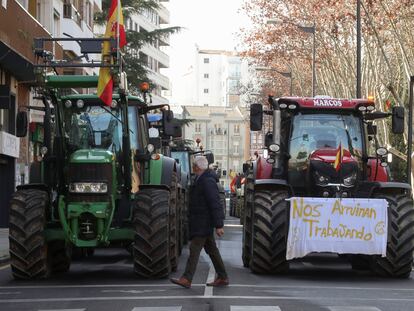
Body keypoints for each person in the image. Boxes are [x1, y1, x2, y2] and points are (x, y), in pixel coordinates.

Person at [170, 156, 228, 288]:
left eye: (194, 166)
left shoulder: (206, 181)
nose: (193, 168)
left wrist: (219, 225)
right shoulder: (202, 179)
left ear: (197, 167)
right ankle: (223, 277)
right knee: (212, 250)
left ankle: (187, 278)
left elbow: (215, 203)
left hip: (203, 222)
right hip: (202, 221)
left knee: (194, 249)